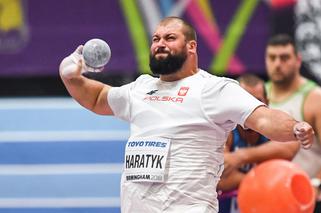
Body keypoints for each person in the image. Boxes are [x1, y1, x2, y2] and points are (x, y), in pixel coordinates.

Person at [59, 17, 314, 213]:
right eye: (156, 39)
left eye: (170, 38)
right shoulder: (141, 88)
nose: (160, 44)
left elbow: (263, 118)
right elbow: (96, 98)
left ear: (191, 47)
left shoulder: (214, 89)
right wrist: (70, 77)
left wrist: (295, 127)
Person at [217, 74, 300, 213]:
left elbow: (291, 145)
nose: (249, 109)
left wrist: (240, 156)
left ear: (266, 103)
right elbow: (220, 179)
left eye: (257, 102)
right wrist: (266, 182)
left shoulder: (274, 126)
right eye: (244, 101)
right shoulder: (225, 129)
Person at [265, 34, 321, 213]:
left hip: (306, 197)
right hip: (266, 195)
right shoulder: (257, 95)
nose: (277, 64)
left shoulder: (315, 98)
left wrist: (316, 183)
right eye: (272, 58)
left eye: (284, 57)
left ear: (298, 60)